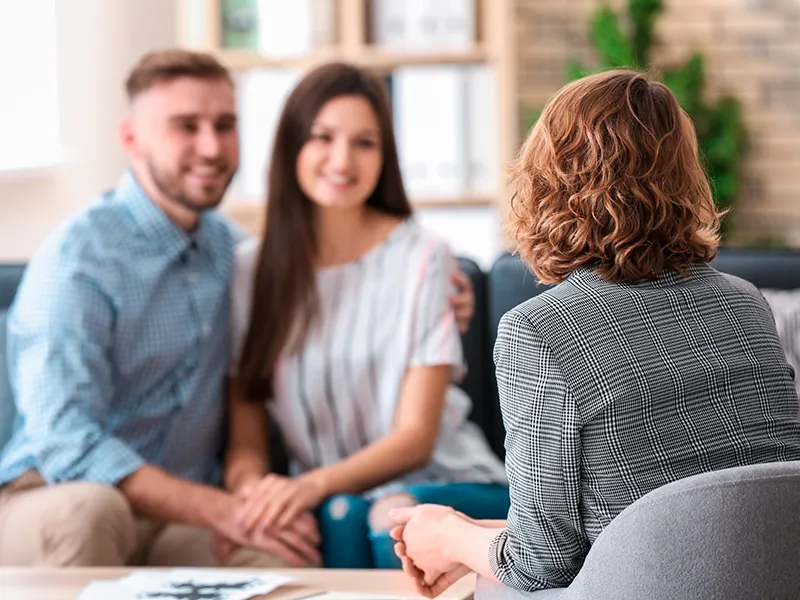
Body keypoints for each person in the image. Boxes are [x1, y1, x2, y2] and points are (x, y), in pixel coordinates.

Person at [0, 49, 476, 568]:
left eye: (224, 125)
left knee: (284, 553)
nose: (211, 146)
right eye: (186, 126)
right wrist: (221, 506)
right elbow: (64, 438)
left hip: (185, 514)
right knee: (92, 510)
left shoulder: (236, 256)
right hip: (55, 493)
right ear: (132, 138)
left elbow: (326, 320)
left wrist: (448, 303)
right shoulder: (78, 259)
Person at [389, 69, 800, 595]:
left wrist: (445, 536)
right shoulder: (745, 303)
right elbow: (699, 528)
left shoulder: (541, 332)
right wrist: (478, 541)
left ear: (546, 181)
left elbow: (541, 567)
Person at [225, 62, 510, 570]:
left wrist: (306, 485)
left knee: (388, 513)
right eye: (323, 137)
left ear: (385, 157)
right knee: (337, 513)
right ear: (292, 145)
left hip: (444, 479)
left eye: (364, 142)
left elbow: (415, 439)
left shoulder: (422, 258)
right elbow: (244, 440)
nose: (342, 159)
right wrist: (257, 498)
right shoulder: (250, 272)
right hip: (335, 498)